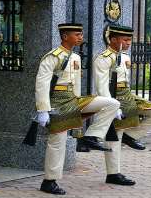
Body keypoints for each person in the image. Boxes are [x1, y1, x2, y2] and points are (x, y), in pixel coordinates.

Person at [35, 23, 120, 195]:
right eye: (77, 34)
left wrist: (79, 111)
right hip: (58, 102)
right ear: (65, 36)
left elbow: (77, 86)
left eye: (81, 34)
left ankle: (91, 137)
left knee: (112, 103)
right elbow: (42, 83)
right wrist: (43, 109)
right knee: (57, 142)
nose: (81, 37)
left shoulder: (76, 57)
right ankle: (49, 181)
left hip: (73, 100)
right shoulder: (53, 57)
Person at [93, 25, 151, 186]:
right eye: (125, 40)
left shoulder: (125, 57)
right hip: (113, 96)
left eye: (130, 40)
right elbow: (102, 85)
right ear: (113, 39)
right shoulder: (103, 58)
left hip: (127, 95)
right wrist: (112, 105)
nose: (128, 43)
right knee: (115, 136)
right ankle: (113, 173)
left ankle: (131, 136)